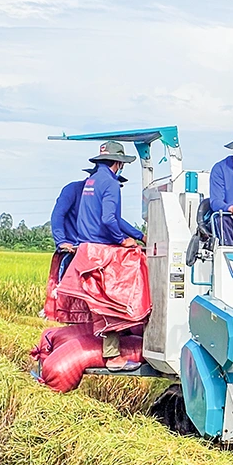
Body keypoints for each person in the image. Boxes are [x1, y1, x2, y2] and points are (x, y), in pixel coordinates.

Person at [73, 140, 145, 369]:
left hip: (87, 248)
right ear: (118, 163)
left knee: (102, 302)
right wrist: (123, 240)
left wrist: (139, 235)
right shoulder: (111, 183)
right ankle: (114, 357)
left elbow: (113, 217)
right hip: (102, 250)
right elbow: (108, 220)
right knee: (117, 300)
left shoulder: (92, 181)